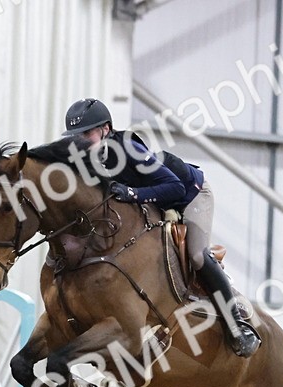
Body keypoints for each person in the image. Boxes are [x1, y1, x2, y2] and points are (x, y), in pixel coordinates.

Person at [62, 98, 260, 358]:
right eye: (76, 136)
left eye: (87, 133)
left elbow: (175, 188)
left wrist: (132, 193)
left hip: (190, 195)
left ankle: (237, 326)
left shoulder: (129, 150)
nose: (81, 141)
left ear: (106, 129)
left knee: (198, 255)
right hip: (154, 202)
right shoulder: (87, 159)